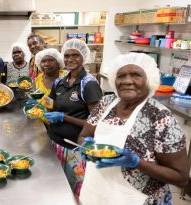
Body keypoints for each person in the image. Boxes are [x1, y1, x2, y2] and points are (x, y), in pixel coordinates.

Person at [78, 53, 189, 205]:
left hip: (137, 198)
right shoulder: (105, 103)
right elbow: (84, 135)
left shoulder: (160, 117)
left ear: (149, 80)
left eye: (136, 75)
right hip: (98, 190)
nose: (127, 81)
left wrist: (136, 162)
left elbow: (181, 178)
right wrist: (86, 146)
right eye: (121, 76)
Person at [43, 39, 102, 197]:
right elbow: (52, 105)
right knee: (56, 188)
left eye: (75, 55)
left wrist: (64, 117)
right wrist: (41, 108)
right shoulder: (59, 82)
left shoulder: (89, 84)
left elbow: (96, 123)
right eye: (67, 55)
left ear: (83, 57)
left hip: (74, 148)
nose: (70, 59)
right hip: (54, 143)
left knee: (74, 191)